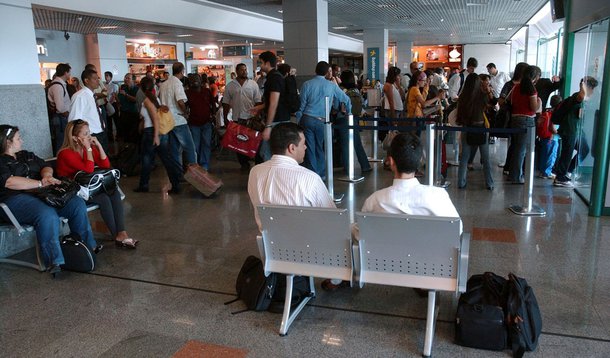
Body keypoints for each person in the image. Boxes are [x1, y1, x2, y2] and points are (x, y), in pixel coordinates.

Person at [0, 125, 98, 275]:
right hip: (14, 200)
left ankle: (86, 247)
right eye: (18, 138)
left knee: (75, 204)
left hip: (40, 194)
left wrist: (46, 175)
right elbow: (9, 182)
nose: (22, 140)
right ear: (8, 142)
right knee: (46, 213)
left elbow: (45, 166)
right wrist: (39, 183)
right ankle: (54, 260)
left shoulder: (26, 155)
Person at [56, 120, 137, 249]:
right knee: (104, 199)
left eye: (89, 132)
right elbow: (88, 169)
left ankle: (122, 232)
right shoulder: (66, 153)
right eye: (85, 133)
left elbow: (105, 165)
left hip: (89, 187)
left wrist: (98, 145)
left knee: (113, 191)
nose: (89, 136)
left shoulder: (88, 149)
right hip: (74, 191)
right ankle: (116, 234)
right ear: (75, 138)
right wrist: (88, 148)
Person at [248, 122, 335, 232]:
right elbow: (332, 218)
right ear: (292, 148)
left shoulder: (255, 172)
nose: (305, 147)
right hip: (308, 245)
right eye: (303, 143)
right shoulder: (310, 178)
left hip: (271, 245)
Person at [295, 61, 352, 179]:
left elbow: (301, 105)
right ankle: (321, 174)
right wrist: (349, 113)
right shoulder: (331, 86)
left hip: (307, 118)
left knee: (310, 147)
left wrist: (299, 121)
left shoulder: (307, 84)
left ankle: (312, 174)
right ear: (327, 72)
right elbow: (346, 99)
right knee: (320, 147)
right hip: (322, 121)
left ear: (315, 71)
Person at [133, 77, 183, 194]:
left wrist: (155, 136)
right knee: (166, 159)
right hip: (159, 133)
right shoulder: (155, 99)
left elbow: (155, 119)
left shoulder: (147, 101)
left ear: (141, 87)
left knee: (146, 160)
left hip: (152, 133)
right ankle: (175, 185)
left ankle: (144, 185)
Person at [553, 76, 599, 187]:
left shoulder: (582, 99)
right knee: (567, 153)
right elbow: (581, 96)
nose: (593, 91)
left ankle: (567, 171)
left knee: (584, 149)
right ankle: (560, 177)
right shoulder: (577, 96)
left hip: (576, 130)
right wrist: (583, 85)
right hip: (569, 129)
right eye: (592, 88)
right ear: (588, 87)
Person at [250, 51, 291, 162]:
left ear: (267, 63)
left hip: (276, 121)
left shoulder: (274, 78)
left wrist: (268, 127)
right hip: (279, 120)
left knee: (266, 153)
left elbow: (274, 103)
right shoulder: (274, 77)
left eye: (261, 62)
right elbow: (271, 101)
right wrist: (259, 107)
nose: (260, 65)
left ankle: (270, 177)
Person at [456, 73, 494, 190]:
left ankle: (461, 182)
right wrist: (488, 91)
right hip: (481, 128)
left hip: (467, 128)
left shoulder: (462, 97)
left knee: (465, 158)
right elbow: (493, 103)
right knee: (486, 158)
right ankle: (489, 183)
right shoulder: (482, 95)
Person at [222, 63, 263, 171]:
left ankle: (255, 161)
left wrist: (257, 116)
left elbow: (258, 101)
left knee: (253, 141)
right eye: (241, 70)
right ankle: (243, 164)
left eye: (245, 69)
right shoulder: (231, 85)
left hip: (251, 118)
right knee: (239, 143)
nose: (244, 71)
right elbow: (225, 102)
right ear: (237, 71)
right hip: (237, 118)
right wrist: (225, 116)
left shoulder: (253, 84)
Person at [159, 62, 198, 171]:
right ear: (182, 71)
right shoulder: (177, 84)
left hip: (168, 121)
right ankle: (194, 174)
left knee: (174, 150)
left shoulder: (164, 84)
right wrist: (185, 113)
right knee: (189, 148)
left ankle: (177, 173)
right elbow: (180, 101)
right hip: (179, 120)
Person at [508, 65, 541, 184]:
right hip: (526, 120)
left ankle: (513, 174)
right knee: (521, 150)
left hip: (515, 119)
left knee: (516, 147)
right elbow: (533, 108)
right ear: (535, 77)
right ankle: (516, 177)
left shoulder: (516, 87)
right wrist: (539, 102)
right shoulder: (531, 89)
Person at [337, 70, 372, 174]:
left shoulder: (341, 90)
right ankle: (365, 165)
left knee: (345, 144)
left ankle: (348, 169)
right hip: (355, 118)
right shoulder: (356, 90)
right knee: (357, 143)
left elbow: (337, 105)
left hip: (343, 119)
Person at [68, 69, 109, 152]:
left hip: (100, 132)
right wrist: (85, 138)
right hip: (91, 136)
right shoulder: (80, 96)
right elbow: (74, 120)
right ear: (86, 80)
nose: (98, 81)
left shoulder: (91, 95)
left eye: (98, 78)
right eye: (95, 79)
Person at [185, 74, 214, 170]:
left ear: (201, 80)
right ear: (189, 82)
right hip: (194, 123)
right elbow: (184, 107)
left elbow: (213, 104)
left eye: (196, 79)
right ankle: (195, 165)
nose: (194, 81)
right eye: (192, 79)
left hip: (207, 123)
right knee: (195, 146)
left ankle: (204, 165)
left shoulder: (207, 91)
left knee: (206, 144)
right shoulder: (187, 93)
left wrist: (213, 115)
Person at [47, 63, 71, 154]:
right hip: (61, 118)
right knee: (61, 141)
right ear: (65, 72)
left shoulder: (60, 84)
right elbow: (60, 107)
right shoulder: (57, 86)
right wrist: (68, 114)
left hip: (62, 117)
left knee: (63, 141)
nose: (69, 75)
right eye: (69, 72)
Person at [536, 94, 561, 179]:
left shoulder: (546, 112)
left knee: (544, 154)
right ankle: (547, 172)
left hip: (543, 137)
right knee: (551, 155)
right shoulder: (557, 114)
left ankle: (542, 171)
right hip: (552, 137)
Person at [118, 73, 140, 144]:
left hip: (133, 113)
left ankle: (134, 150)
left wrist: (126, 95)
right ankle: (127, 149)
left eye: (128, 78)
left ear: (133, 80)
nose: (126, 79)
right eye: (125, 78)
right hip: (124, 113)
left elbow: (136, 100)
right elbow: (120, 100)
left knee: (133, 133)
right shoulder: (123, 87)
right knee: (125, 132)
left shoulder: (137, 89)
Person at [104, 71, 119, 143]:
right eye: (105, 76)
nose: (106, 77)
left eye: (107, 76)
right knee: (108, 121)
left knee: (116, 121)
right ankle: (110, 138)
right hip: (106, 104)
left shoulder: (114, 85)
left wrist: (109, 103)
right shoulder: (103, 85)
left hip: (113, 104)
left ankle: (118, 136)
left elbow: (114, 96)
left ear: (110, 77)